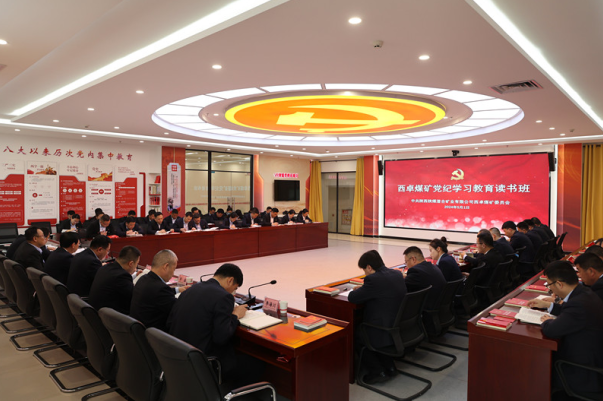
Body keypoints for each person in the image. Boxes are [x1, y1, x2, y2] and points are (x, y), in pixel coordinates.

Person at [168, 263, 264, 388]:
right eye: (235, 288)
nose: (233, 292)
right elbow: (221, 338)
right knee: (257, 362)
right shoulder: (224, 297)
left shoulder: (192, 289)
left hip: (178, 355)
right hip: (205, 361)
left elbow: (170, 322)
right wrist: (235, 315)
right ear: (230, 280)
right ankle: (232, 394)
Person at [527, 261, 603, 395]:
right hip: (593, 354)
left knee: (536, 365)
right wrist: (549, 306)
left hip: (583, 370)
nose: (550, 290)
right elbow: (569, 311)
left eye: (549, 286)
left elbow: (551, 330)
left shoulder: (578, 304)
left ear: (559, 284)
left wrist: (547, 321)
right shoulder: (583, 292)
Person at [348, 250, 406, 384]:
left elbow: (352, 298)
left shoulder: (373, 280)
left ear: (369, 267)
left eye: (364, 270)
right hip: (397, 325)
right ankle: (390, 367)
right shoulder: (397, 274)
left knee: (358, 334)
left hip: (382, 328)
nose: (365, 274)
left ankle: (377, 371)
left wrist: (360, 289)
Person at [130, 250, 190, 331]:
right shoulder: (160, 289)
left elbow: (156, 293)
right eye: (173, 269)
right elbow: (178, 309)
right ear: (166, 266)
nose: (173, 273)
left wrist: (178, 289)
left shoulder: (143, 279)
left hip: (139, 331)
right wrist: (189, 295)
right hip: (154, 335)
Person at [88, 246, 141, 315]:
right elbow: (135, 297)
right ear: (130, 264)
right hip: (108, 317)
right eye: (136, 264)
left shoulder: (105, 267)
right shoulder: (121, 276)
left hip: (94, 313)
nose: (136, 267)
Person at [403, 246, 446, 311]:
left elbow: (402, 288)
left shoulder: (416, 271)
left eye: (406, 262)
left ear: (413, 259)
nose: (406, 265)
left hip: (427, 310)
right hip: (440, 307)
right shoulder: (433, 267)